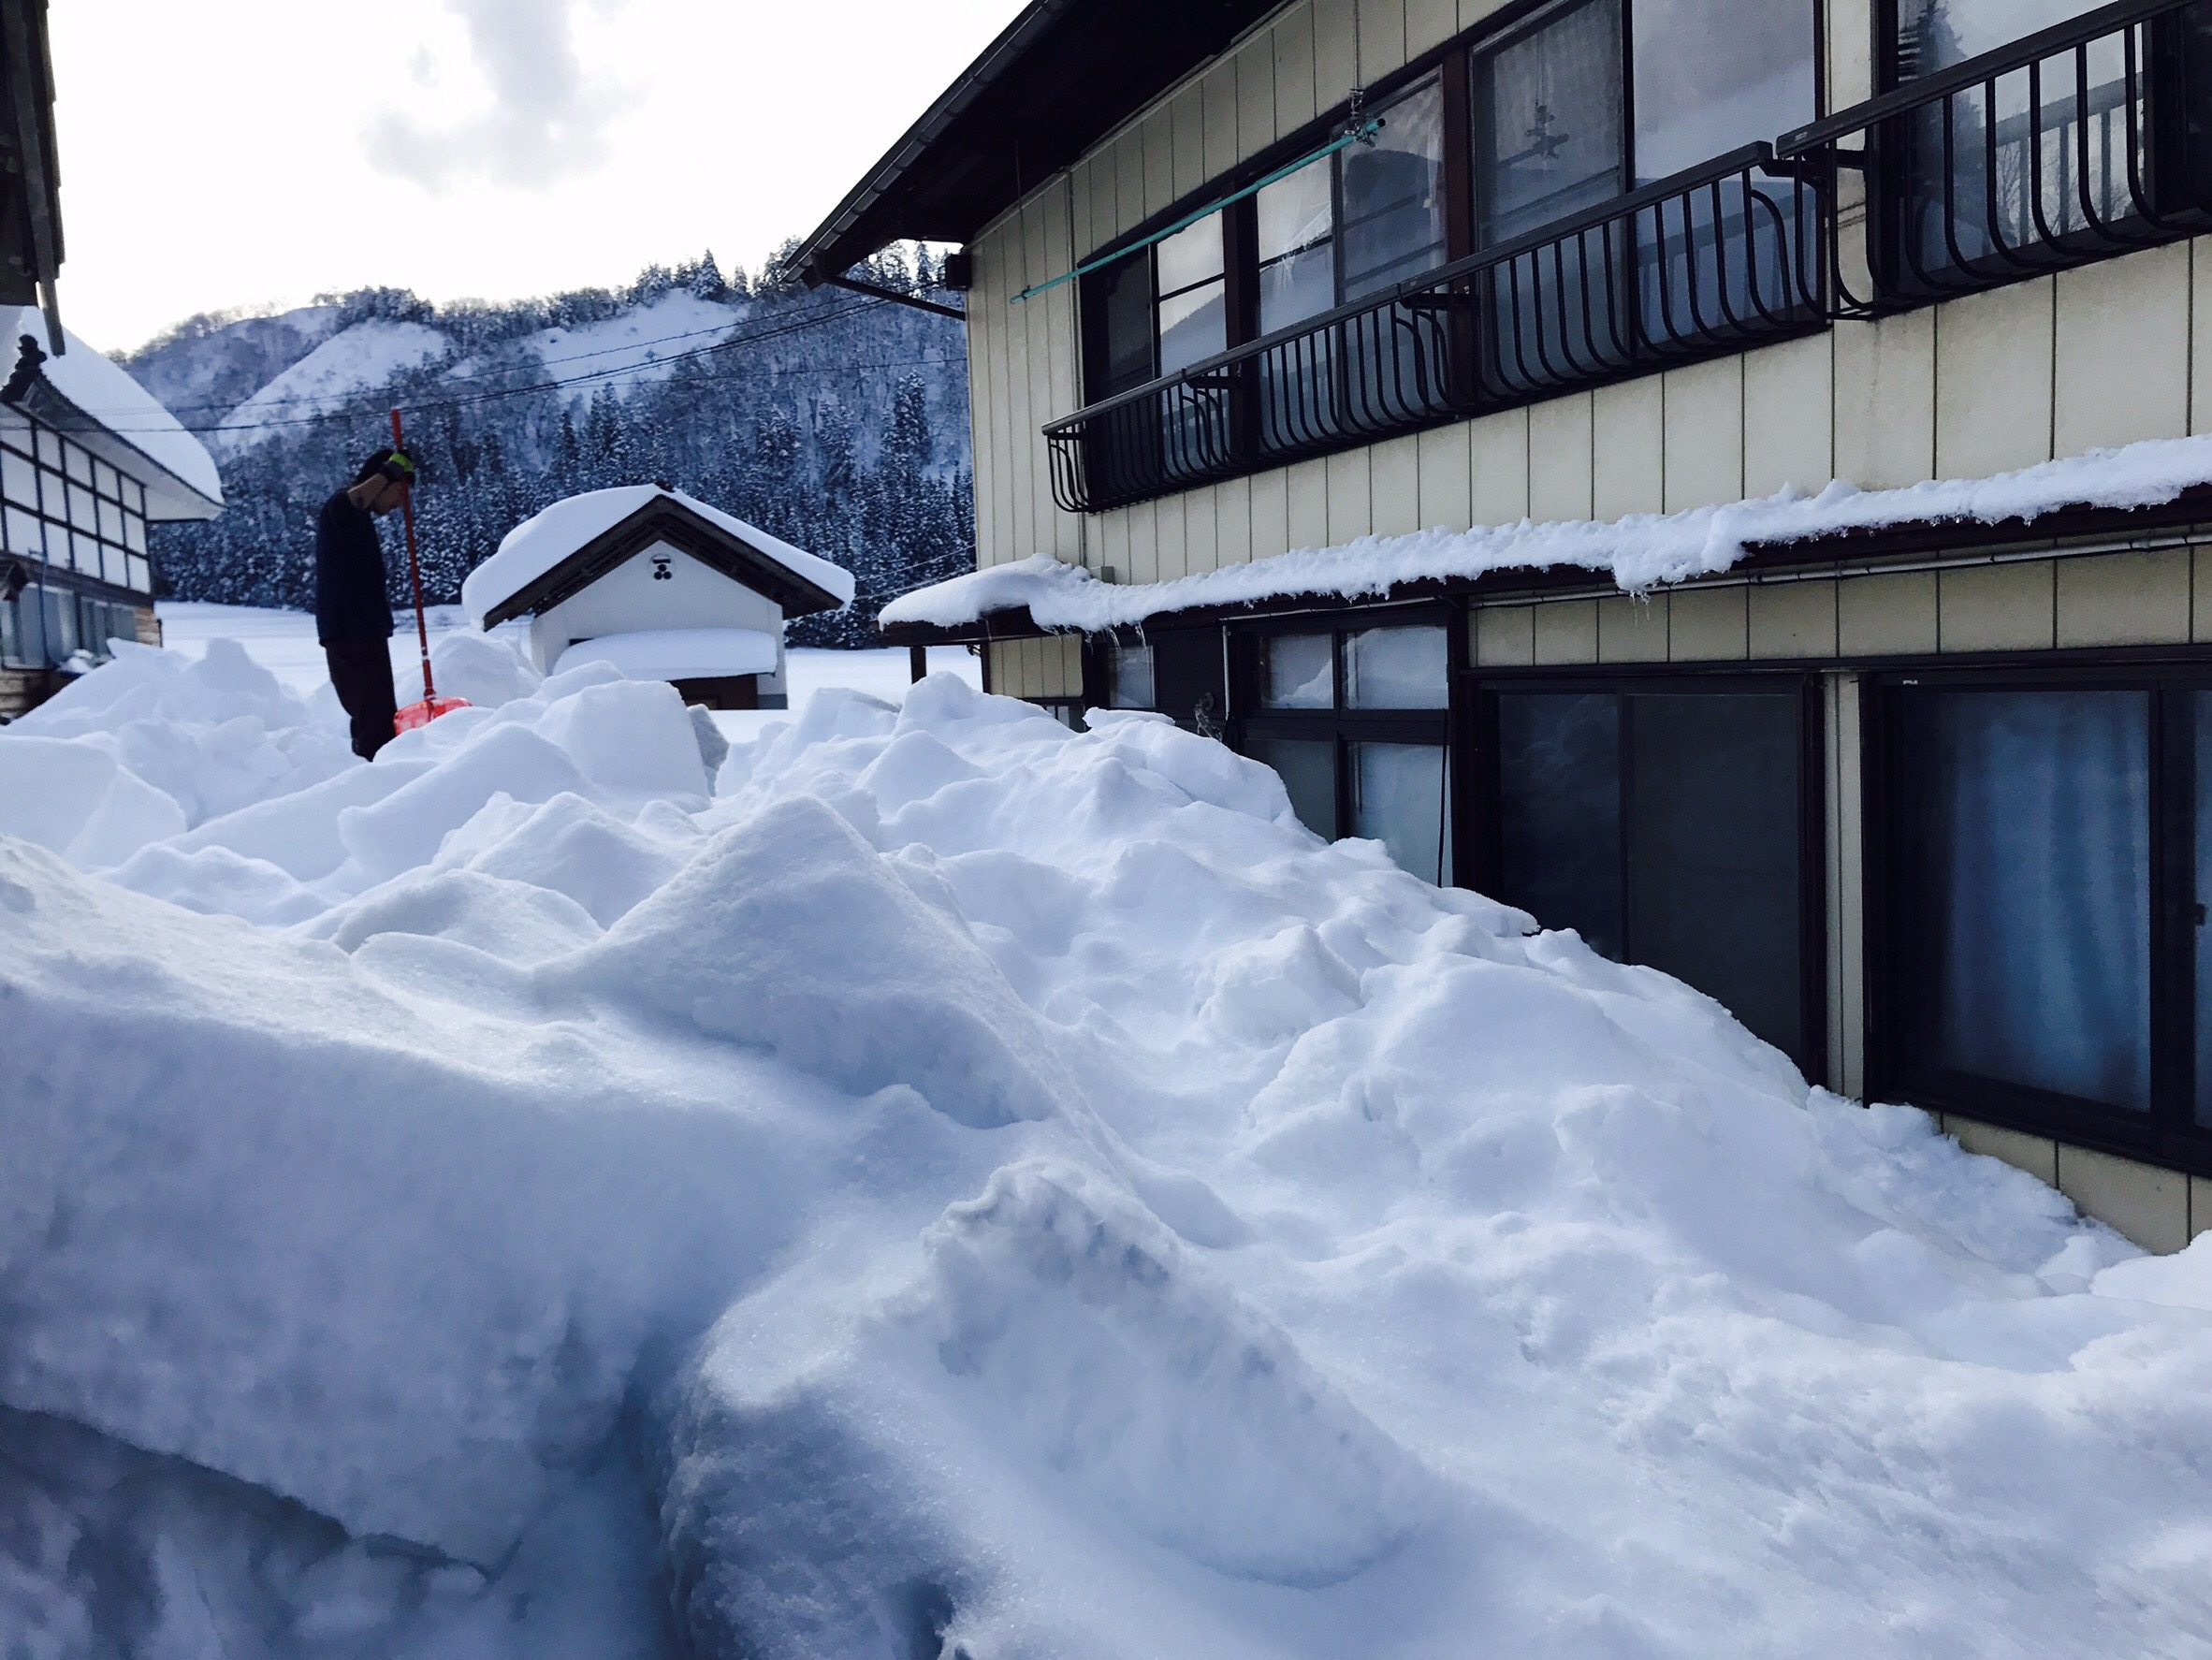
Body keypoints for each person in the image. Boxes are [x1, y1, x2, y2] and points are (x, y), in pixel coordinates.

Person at [315, 446, 414, 759]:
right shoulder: (341, 510)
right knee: (377, 723)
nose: (400, 503)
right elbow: (350, 503)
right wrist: (388, 472)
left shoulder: (359, 521)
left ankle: (376, 772)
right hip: (352, 632)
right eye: (397, 493)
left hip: (361, 630)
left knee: (375, 717)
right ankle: (381, 780)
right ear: (378, 482)